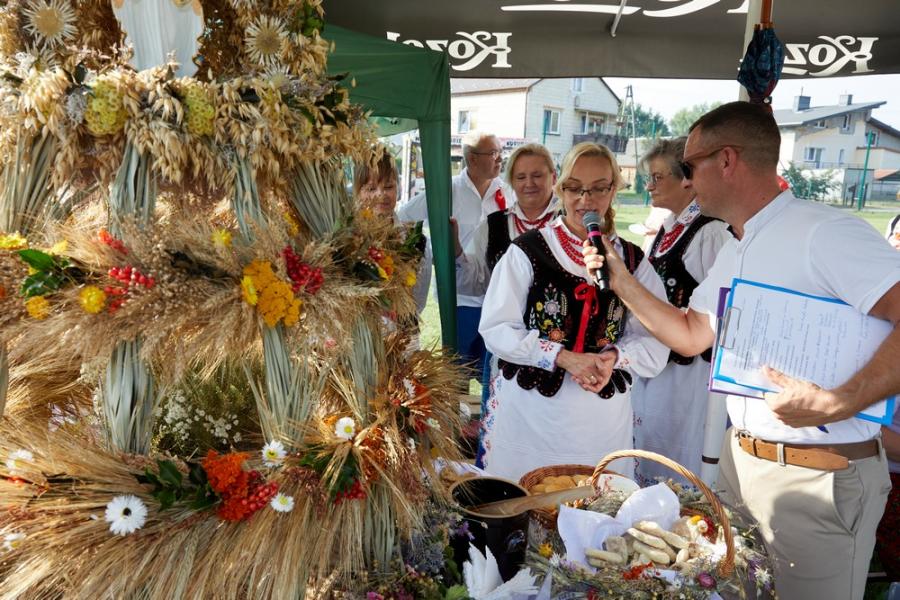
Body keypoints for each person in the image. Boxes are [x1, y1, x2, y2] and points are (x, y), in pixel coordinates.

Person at [583, 101, 900, 600]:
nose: (687, 180)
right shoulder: (739, 244)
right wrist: (619, 280)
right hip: (744, 461)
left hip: (816, 474)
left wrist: (841, 401)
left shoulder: (823, 232)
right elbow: (691, 333)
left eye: (690, 166)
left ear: (727, 160)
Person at [478, 142, 668, 482]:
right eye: (574, 188)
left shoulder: (632, 261)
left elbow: (655, 342)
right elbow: (497, 328)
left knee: (599, 502)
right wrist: (562, 357)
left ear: (613, 190)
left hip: (601, 423)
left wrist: (614, 358)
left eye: (598, 188)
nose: (585, 199)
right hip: (532, 416)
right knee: (529, 499)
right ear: (560, 188)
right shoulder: (528, 251)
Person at [630, 137, 732, 486]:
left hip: (691, 374)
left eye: (658, 177)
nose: (649, 185)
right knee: (654, 449)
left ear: (686, 179)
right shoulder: (669, 227)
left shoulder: (710, 232)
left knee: (681, 459)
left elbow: (720, 311)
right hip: (660, 366)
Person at [451, 143, 560, 467]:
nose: (529, 183)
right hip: (506, 351)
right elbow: (476, 282)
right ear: (511, 181)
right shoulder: (494, 225)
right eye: (521, 177)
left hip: (559, 350)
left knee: (549, 432)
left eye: (537, 175)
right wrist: (456, 250)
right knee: (503, 432)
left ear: (553, 177)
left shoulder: (568, 223)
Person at [397, 131, 509, 379]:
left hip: (496, 298)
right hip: (458, 300)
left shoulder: (505, 192)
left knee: (492, 374)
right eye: (493, 153)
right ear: (472, 159)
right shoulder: (447, 191)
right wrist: (418, 254)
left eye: (500, 152)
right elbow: (403, 217)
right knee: (457, 375)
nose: (500, 158)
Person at [354, 151, 431, 315]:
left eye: (388, 187)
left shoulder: (415, 239)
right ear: (358, 192)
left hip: (401, 327)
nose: (380, 194)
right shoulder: (347, 240)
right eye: (371, 188)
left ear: (398, 187)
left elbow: (418, 302)